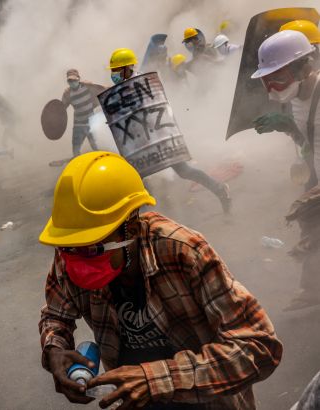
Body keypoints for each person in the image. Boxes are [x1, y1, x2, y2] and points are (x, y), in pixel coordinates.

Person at [38, 152, 282, 409]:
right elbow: (56, 314)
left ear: (130, 229)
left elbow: (259, 347)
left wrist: (153, 378)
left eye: (92, 248)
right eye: (69, 247)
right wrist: (55, 347)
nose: (76, 259)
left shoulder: (183, 251)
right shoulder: (73, 253)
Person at [108, 48, 232, 213]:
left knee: (184, 171)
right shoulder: (124, 88)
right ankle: (146, 218)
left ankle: (219, 189)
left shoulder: (141, 82)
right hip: (141, 141)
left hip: (160, 136)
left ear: (126, 68)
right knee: (139, 179)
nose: (113, 74)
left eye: (116, 70)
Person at [252, 30, 320, 191]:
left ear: (305, 70)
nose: (273, 88)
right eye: (267, 82)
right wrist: (292, 129)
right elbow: (313, 144)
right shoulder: (295, 99)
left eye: (279, 79)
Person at [60, 68, 106, 156]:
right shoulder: (67, 93)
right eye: (70, 81)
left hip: (91, 122)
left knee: (96, 146)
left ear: (78, 79)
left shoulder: (87, 86)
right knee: (76, 149)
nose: (72, 82)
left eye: (74, 80)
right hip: (78, 124)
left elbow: (102, 89)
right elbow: (62, 108)